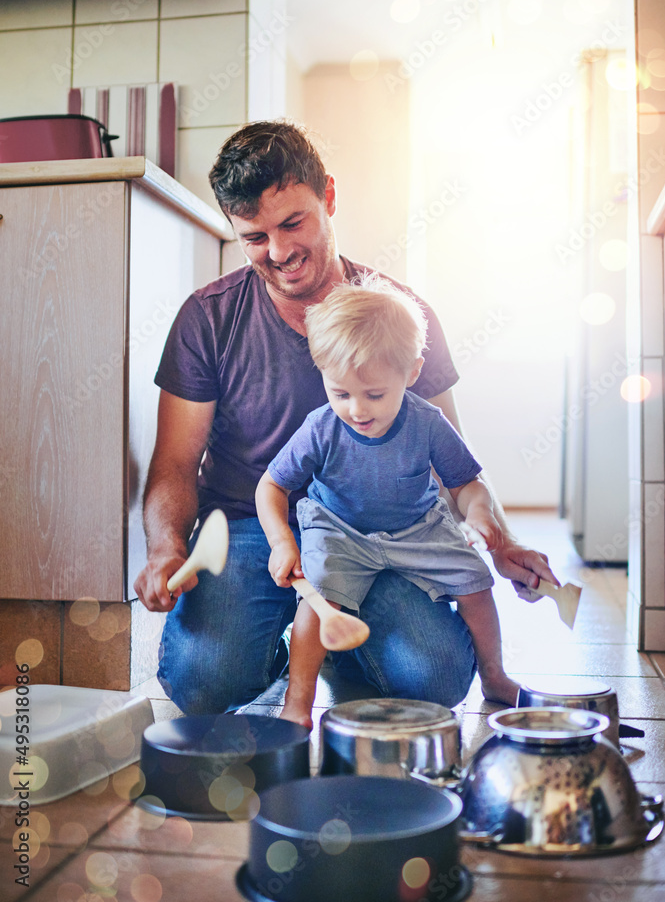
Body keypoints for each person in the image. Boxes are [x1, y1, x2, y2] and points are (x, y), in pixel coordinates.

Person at [134, 120, 559, 716]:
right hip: (250, 525)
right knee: (202, 681)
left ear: (328, 198)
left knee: (433, 682)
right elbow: (176, 463)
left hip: (380, 527)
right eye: (255, 237)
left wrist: (500, 541)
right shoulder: (208, 319)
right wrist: (163, 548)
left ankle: (338, 649)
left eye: (292, 223)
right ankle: (285, 653)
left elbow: (450, 461)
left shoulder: (402, 317)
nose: (279, 253)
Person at [256, 277, 520, 728]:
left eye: (374, 394)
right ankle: (298, 701)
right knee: (318, 598)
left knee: (476, 582)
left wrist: (478, 513)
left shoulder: (428, 422)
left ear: (411, 373)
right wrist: (282, 542)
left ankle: (494, 676)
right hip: (339, 529)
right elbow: (271, 486)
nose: (357, 410)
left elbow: (466, 483)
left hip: (418, 527)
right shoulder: (320, 427)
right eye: (340, 393)